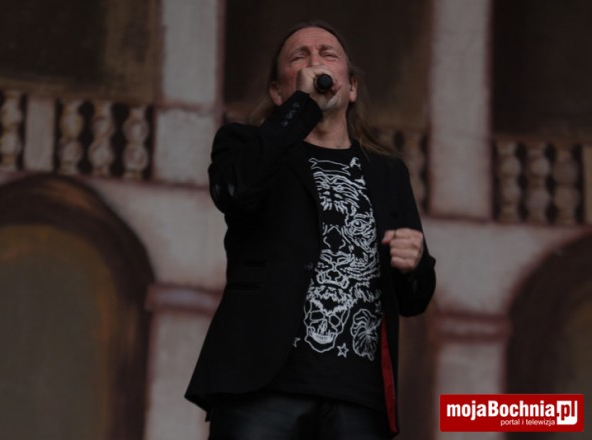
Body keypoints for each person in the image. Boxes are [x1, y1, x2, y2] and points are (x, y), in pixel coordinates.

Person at [186, 20, 436, 439]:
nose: (315, 61)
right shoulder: (243, 145)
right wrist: (300, 109)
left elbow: (415, 299)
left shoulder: (388, 173)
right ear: (277, 91)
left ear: (351, 87)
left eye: (328, 54)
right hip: (262, 386)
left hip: (358, 397)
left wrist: (415, 263)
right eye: (299, 57)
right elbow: (234, 190)